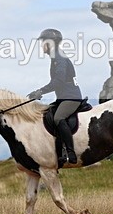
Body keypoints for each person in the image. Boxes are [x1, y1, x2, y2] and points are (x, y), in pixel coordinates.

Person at [28, 28, 84, 166]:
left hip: (71, 98)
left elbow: (58, 82)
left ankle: (70, 152)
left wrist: (40, 91)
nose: (41, 46)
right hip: (63, 97)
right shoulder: (55, 58)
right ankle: (57, 152)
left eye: (43, 42)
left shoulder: (59, 58)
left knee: (59, 117)